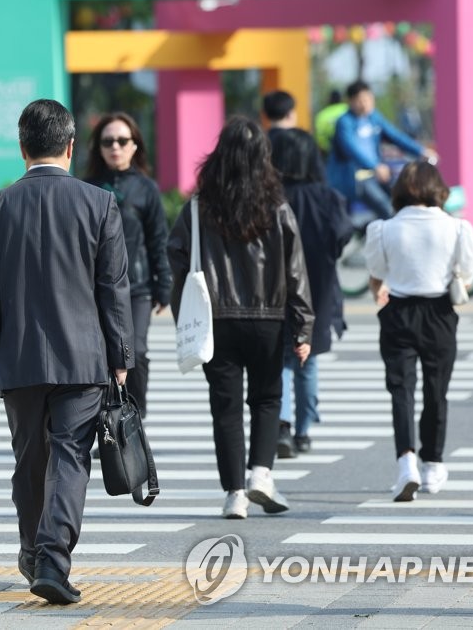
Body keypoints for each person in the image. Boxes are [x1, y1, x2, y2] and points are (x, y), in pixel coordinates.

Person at [0, 99, 134, 604]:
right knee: (70, 456)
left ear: (22, 148)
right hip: (83, 356)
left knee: (29, 459)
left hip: (17, 360)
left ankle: (31, 551)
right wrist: (121, 356)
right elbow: (114, 287)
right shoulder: (98, 203)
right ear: (70, 146)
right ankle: (52, 558)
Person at [167, 116, 314, 520]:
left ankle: (234, 494)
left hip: (217, 320)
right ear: (262, 158)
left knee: (225, 407)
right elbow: (296, 270)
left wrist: (183, 315)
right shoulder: (277, 207)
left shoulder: (197, 208)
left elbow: (176, 260)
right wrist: (303, 327)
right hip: (268, 318)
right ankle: (261, 475)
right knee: (267, 398)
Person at [363, 161, 473, 502]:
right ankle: (433, 464)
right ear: (438, 190)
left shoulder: (383, 228)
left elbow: (376, 270)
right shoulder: (457, 227)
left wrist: (380, 290)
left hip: (398, 311)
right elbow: (471, 267)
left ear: (399, 191)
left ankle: (406, 463)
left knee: (401, 390)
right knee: (436, 390)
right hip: (439, 313)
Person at [269, 128, 352, 458]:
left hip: (277, 288)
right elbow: (343, 236)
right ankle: (304, 431)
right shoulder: (329, 197)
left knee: (282, 361)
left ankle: (283, 426)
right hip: (318, 286)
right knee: (309, 359)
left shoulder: (273, 198)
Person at [84, 112, 171, 418]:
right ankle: (109, 420)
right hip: (96, 288)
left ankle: (135, 417)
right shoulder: (88, 187)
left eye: (123, 141)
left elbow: (158, 239)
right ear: (99, 147)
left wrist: (165, 284)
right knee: (105, 356)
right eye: (108, 141)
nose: (115, 147)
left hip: (138, 287)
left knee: (138, 353)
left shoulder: (146, 188)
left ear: (135, 146)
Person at [327, 80, 438, 220]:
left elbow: (395, 136)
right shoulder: (344, 122)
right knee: (385, 208)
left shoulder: (373, 117)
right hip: (357, 178)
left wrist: (420, 151)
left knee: (402, 202)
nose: (365, 103)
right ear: (351, 101)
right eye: (361, 100)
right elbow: (351, 148)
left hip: (379, 174)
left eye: (368, 98)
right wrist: (374, 166)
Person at [313, 89, 347, 158]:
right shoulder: (347, 110)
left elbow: (319, 136)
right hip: (348, 151)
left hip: (328, 152)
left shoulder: (322, 114)